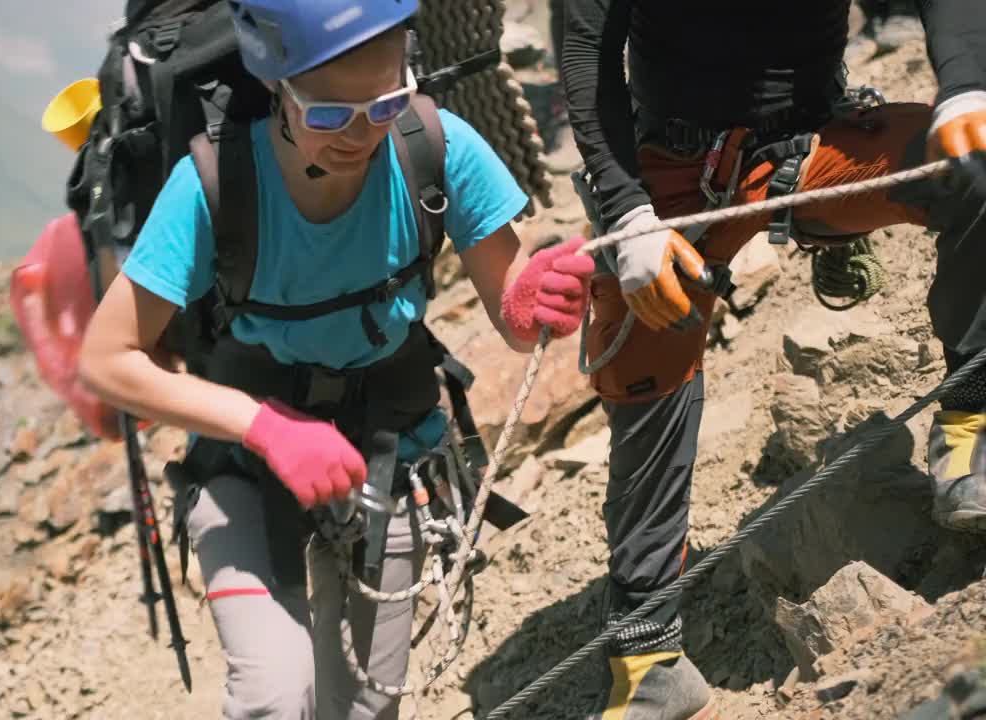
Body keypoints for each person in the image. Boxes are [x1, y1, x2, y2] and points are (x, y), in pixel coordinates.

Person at [77, 1, 596, 717]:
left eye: (383, 103)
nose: (360, 134)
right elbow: (107, 362)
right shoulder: (213, 187)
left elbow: (513, 312)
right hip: (246, 473)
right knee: (272, 695)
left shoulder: (435, 146)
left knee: (366, 708)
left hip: (392, 455)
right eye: (329, 115)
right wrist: (269, 429)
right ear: (277, 88)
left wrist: (533, 301)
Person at [556, 0, 986, 718]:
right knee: (641, 363)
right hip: (670, 164)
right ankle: (647, 655)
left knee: (973, 171)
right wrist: (626, 211)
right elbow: (585, 47)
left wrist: (968, 84)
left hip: (816, 140)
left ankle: (971, 429)